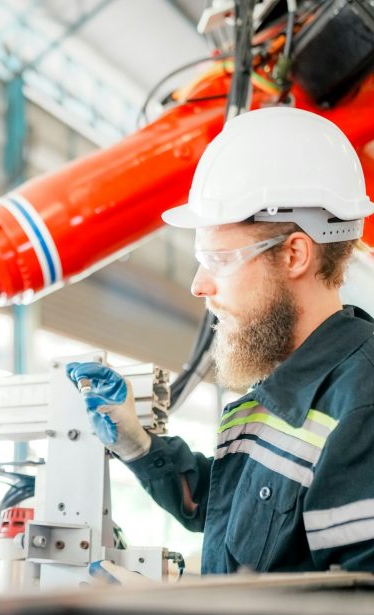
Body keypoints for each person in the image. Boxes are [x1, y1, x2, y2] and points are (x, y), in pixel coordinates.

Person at [67, 106, 374, 574]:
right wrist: (138, 445)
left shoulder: (361, 407)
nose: (199, 284)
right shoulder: (280, 389)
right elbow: (238, 511)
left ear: (294, 254)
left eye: (219, 259)